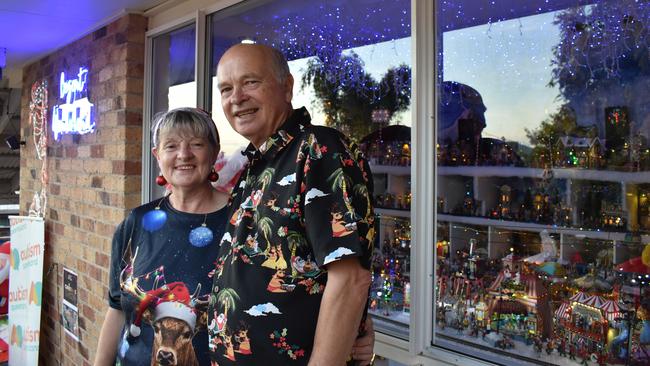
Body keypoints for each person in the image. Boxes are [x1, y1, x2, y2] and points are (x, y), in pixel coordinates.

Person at [93, 108, 375, 365]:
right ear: (158, 157)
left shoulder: (246, 218)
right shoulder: (136, 223)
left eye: (196, 144)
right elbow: (117, 309)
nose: (184, 155)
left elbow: (307, 282)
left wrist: (357, 328)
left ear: (214, 153)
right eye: (171, 146)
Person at [209, 43, 375, 365]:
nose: (237, 97)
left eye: (250, 82)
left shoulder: (318, 150)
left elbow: (351, 279)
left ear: (287, 87)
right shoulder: (256, 166)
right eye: (226, 89)